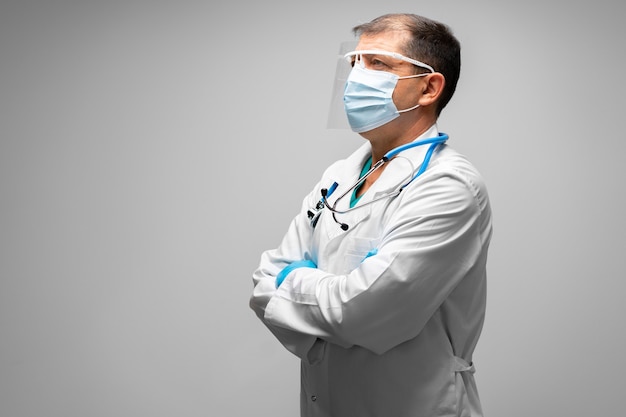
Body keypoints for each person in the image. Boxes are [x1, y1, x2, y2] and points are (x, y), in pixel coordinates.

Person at [249, 13, 493, 417]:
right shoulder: (340, 175)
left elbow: (365, 314)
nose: (357, 77)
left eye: (378, 63)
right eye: (355, 63)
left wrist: (292, 282)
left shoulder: (448, 186)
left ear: (430, 87)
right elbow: (263, 282)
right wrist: (332, 293)